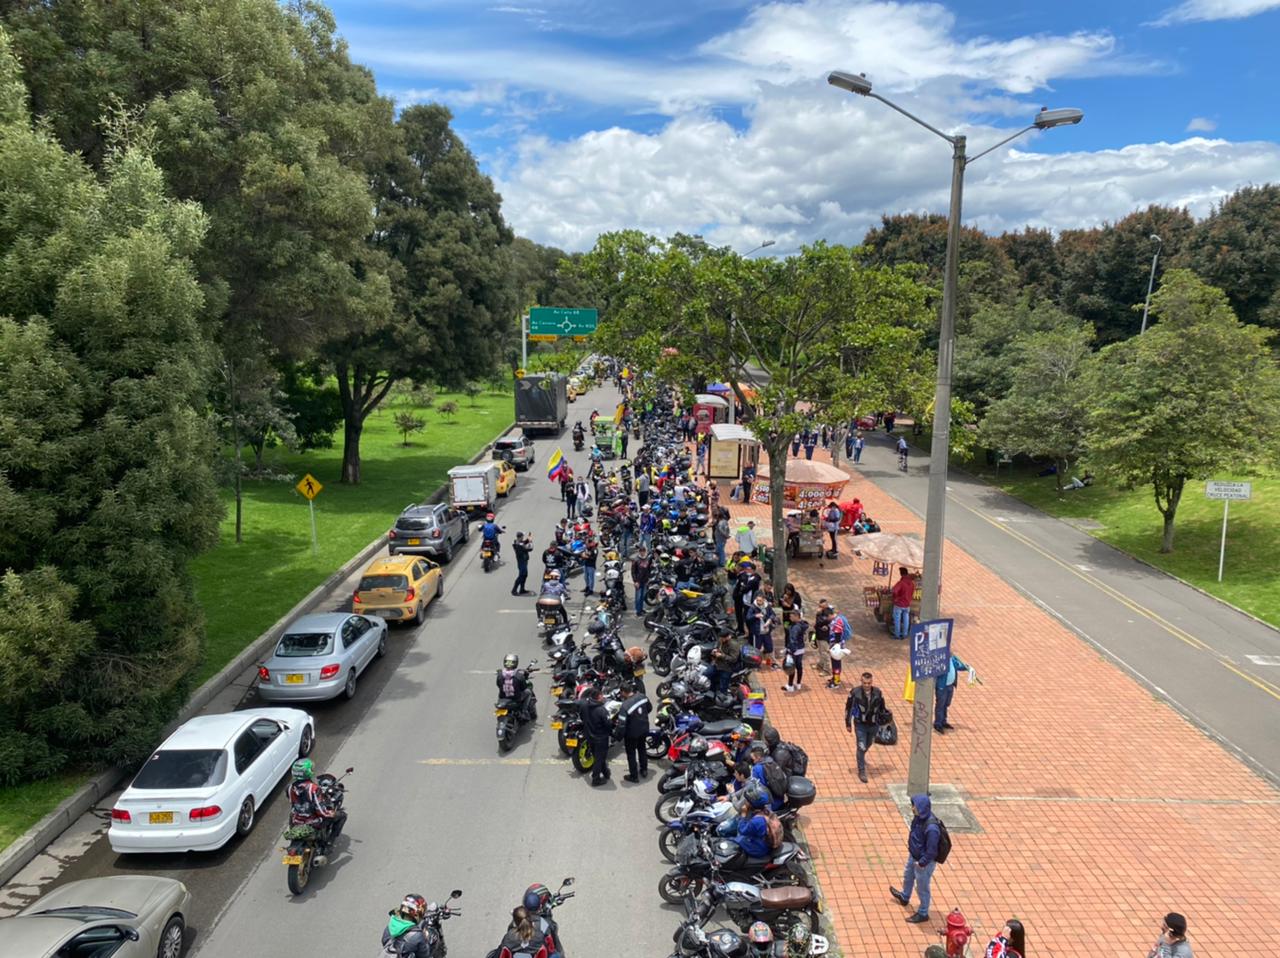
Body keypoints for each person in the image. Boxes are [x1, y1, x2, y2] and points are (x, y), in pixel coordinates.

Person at [890, 794, 942, 923]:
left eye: (914, 806)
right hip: (914, 856)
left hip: (923, 863)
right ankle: (905, 896)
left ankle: (923, 912)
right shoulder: (919, 818)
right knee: (908, 876)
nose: (912, 808)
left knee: (922, 887)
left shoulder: (932, 828)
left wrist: (922, 863)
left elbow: (932, 850)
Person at [287, 759, 344, 864]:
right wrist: (330, 813)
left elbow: (293, 803)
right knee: (341, 815)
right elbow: (320, 810)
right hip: (313, 822)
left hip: (296, 821)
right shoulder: (313, 788)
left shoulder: (290, 788)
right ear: (308, 772)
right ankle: (329, 843)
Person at [844, 672, 886, 783]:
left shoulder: (877, 693)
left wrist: (884, 720)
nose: (867, 685)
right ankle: (861, 770)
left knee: (868, 743)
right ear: (861, 681)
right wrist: (848, 723)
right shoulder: (855, 693)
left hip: (873, 725)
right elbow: (848, 708)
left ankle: (860, 755)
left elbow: (882, 708)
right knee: (861, 746)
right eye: (864, 683)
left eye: (869, 683)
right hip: (860, 724)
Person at [715, 781, 772, 857]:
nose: (746, 802)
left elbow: (741, 829)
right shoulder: (766, 811)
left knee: (731, 841)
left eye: (748, 801)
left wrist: (743, 814)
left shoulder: (757, 821)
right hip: (761, 840)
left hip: (758, 848)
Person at [579, 686, 611, 786]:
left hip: (590, 736)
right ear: (599, 696)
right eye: (602, 696)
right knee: (600, 758)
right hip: (601, 738)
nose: (603, 697)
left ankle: (605, 772)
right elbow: (608, 725)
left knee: (597, 756)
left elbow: (581, 717)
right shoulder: (602, 710)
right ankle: (596, 779)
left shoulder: (584, 706)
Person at [933, 653, 970, 734]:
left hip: (950, 686)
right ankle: (938, 723)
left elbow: (958, 666)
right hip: (942, 687)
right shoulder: (940, 660)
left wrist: (967, 667)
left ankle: (943, 721)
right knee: (940, 705)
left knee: (946, 704)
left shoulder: (952, 659)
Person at [621, 688, 652, 782]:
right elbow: (649, 708)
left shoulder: (625, 705)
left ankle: (634, 776)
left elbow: (621, 724)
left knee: (631, 754)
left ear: (623, 692)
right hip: (644, 729)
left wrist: (618, 736)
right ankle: (644, 770)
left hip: (631, 734)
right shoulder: (642, 696)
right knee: (642, 749)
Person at [496, 653, 532, 719]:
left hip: (503, 697)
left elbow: (498, 685)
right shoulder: (519, 676)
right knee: (528, 692)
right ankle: (524, 711)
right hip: (516, 698)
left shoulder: (500, 675)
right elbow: (523, 688)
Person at [708, 630, 743, 695]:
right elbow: (718, 647)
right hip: (717, 663)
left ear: (727, 637)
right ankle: (711, 690)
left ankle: (723, 695)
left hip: (727, 667)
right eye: (720, 638)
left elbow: (733, 659)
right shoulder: (721, 641)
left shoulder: (733, 645)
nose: (720, 640)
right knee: (707, 674)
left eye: (722, 638)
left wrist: (722, 656)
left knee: (723, 685)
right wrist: (715, 650)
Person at [825, 608, 852, 688]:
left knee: (836, 664)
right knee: (834, 663)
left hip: (837, 647)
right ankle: (834, 678)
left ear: (830, 615)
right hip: (835, 645)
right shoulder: (837, 619)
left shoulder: (837, 621)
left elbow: (838, 634)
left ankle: (836, 682)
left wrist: (835, 646)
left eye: (827, 617)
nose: (827, 619)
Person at [782, 610, 808, 692]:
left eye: (791, 616)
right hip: (801, 649)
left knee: (791, 667)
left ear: (797, 617)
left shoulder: (795, 627)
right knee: (799, 666)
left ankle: (790, 686)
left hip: (794, 650)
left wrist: (790, 651)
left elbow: (793, 640)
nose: (790, 617)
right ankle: (798, 684)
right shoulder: (803, 624)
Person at [891, 567, 915, 640]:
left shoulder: (901, 583)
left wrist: (895, 598)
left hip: (899, 604)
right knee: (906, 619)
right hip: (907, 604)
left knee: (897, 619)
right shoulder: (912, 583)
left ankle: (897, 635)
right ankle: (905, 634)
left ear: (901, 574)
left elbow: (894, 591)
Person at [812, 599, 833, 676]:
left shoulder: (828, 613)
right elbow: (818, 623)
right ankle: (820, 664)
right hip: (818, 634)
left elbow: (822, 622)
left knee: (825, 653)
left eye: (822, 607)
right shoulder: (819, 613)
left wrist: (819, 615)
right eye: (820, 606)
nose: (820, 608)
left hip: (825, 637)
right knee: (820, 651)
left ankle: (827, 670)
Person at [630, 547, 652, 616]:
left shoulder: (647, 559)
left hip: (645, 581)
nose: (642, 552)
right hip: (638, 582)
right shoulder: (636, 560)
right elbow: (633, 572)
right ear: (639, 552)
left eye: (643, 551)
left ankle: (641, 609)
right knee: (638, 597)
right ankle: (638, 611)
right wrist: (635, 581)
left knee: (643, 596)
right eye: (641, 551)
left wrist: (648, 578)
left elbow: (648, 569)